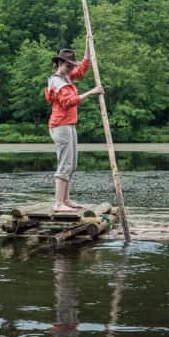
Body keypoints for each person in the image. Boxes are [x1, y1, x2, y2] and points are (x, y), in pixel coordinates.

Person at [45, 38, 103, 213]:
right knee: (64, 163)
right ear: (60, 63)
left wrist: (87, 45)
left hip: (69, 124)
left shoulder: (67, 77)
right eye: (68, 66)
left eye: (71, 66)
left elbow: (84, 67)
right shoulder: (57, 81)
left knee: (72, 163)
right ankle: (58, 203)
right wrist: (92, 92)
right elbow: (67, 102)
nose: (71, 69)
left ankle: (66, 199)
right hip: (60, 125)